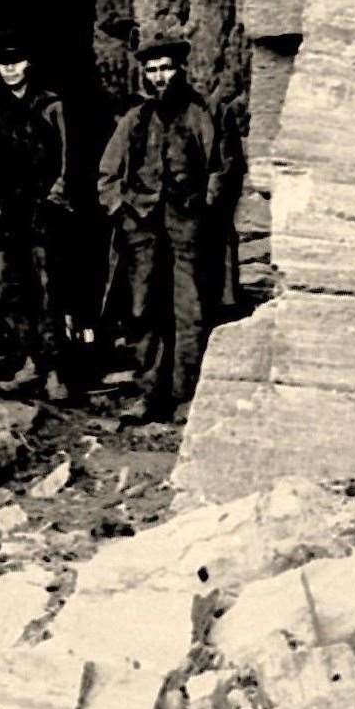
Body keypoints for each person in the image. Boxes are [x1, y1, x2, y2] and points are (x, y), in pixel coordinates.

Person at [97, 39, 224, 422]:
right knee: (142, 310)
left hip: (187, 227)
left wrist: (205, 210)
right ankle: (149, 393)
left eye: (166, 68)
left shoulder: (203, 113)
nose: (159, 77)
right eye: (152, 71)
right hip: (143, 229)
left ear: (180, 69)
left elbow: (221, 168)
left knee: (191, 309)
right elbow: (108, 174)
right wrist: (122, 211)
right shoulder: (134, 119)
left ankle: (187, 395)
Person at [0, 37, 72, 401]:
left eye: (17, 61)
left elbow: (68, 161)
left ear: (29, 63)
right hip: (4, 216)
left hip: (41, 212)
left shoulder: (50, 106)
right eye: (3, 62)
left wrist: (53, 199)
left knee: (47, 290)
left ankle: (54, 371)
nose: (10, 68)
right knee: (8, 288)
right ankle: (28, 362)